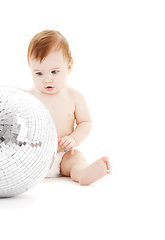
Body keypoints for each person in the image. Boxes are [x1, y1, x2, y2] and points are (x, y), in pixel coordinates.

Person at [27, 30, 111, 185]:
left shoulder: (74, 96)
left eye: (54, 72)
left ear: (69, 67)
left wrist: (74, 138)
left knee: (76, 159)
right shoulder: (26, 97)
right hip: (33, 156)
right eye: (38, 73)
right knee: (14, 159)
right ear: (30, 69)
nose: (47, 79)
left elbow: (85, 122)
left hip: (63, 155)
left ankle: (82, 174)